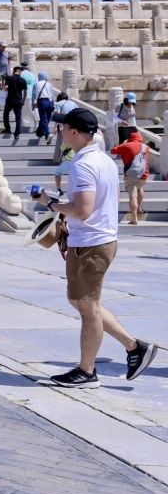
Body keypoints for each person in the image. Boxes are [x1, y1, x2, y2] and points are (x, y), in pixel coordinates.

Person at [34, 109, 158, 387]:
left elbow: (84, 209)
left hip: (92, 243)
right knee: (80, 302)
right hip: (94, 240)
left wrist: (50, 203)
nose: (60, 132)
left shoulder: (82, 165)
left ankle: (87, 371)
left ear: (74, 132)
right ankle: (134, 347)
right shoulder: (103, 159)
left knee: (88, 308)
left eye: (62, 127)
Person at [112, 130, 150, 225]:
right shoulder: (146, 147)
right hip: (144, 174)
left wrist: (124, 143)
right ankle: (140, 208)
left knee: (132, 196)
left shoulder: (126, 145)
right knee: (140, 188)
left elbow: (113, 151)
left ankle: (134, 218)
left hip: (131, 174)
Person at [3, 66, 29, 144]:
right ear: (19, 72)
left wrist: (6, 88)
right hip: (18, 101)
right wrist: (23, 100)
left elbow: (6, 88)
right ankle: (17, 133)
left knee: (6, 113)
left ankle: (8, 128)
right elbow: (25, 92)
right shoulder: (23, 80)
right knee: (18, 117)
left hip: (10, 100)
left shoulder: (9, 78)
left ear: (14, 71)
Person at [33, 72, 57, 143]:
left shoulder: (36, 84)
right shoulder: (49, 84)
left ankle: (47, 134)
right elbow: (52, 94)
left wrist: (33, 103)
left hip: (42, 102)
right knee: (47, 119)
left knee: (43, 119)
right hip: (50, 102)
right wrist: (54, 103)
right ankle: (40, 132)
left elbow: (34, 95)